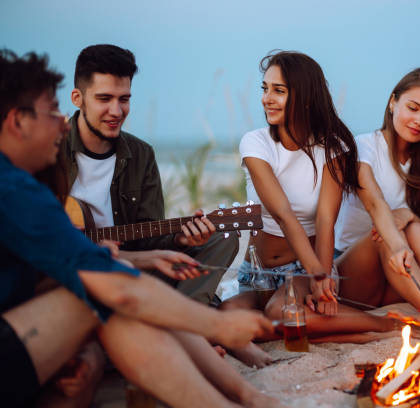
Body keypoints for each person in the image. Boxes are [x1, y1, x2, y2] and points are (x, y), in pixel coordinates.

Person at [0, 49, 281, 408]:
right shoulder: (22, 182)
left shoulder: (139, 155)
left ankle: (246, 396)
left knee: (134, 279)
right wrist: (218, 327)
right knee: (113, 294)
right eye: (51, 113)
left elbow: (55, 262)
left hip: (51, 293)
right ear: (17, 121)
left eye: (124, 99)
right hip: (52, 305)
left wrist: (171, 242)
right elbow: (115, 288)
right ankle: (239, 394)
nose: (60, 124)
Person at [221, 51, 399, 361]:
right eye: (265, 89)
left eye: (279, 91)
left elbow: (326, 220)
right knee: (225, 314)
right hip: (256, 273)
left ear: (303, 96)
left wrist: (320, 275)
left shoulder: (333, 148)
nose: (267, 99)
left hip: (303, 270)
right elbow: (281, 213)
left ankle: (386, 324)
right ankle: (357, 334)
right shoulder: (255, 143)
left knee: (281, 312)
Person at [65, 44, 238, 305]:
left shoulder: (141, 154)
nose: (116, 111)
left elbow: (149, 238)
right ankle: (190, 316)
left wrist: (180, 238)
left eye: (124, 99)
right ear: (77, 98)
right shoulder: (49, 149)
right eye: (104, 99)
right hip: (71, 272)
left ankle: (183, 316)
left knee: (223, 237)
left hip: (133, 270)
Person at [334, 67, 420, 316]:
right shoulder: (363, 147)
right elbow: (375, 203)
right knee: (386, 232)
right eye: (413, 108)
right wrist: (398, 229)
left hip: (401, 279)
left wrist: (409, 215)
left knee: (411, 227)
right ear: (393, 102)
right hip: (355, 277)